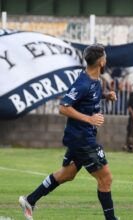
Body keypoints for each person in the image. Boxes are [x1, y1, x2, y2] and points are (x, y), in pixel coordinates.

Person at [18, 44, 119, 220]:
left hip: (77, 136)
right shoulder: (84, 82)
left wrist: (106, 95)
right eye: (105, 56)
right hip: (82, 138)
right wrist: (89, 119)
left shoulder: (93, 79)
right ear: (102, 62)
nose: (106, 58)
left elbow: (89, 94)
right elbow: (64, 107)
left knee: (67, 174)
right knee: (106, 179)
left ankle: (30, 200)